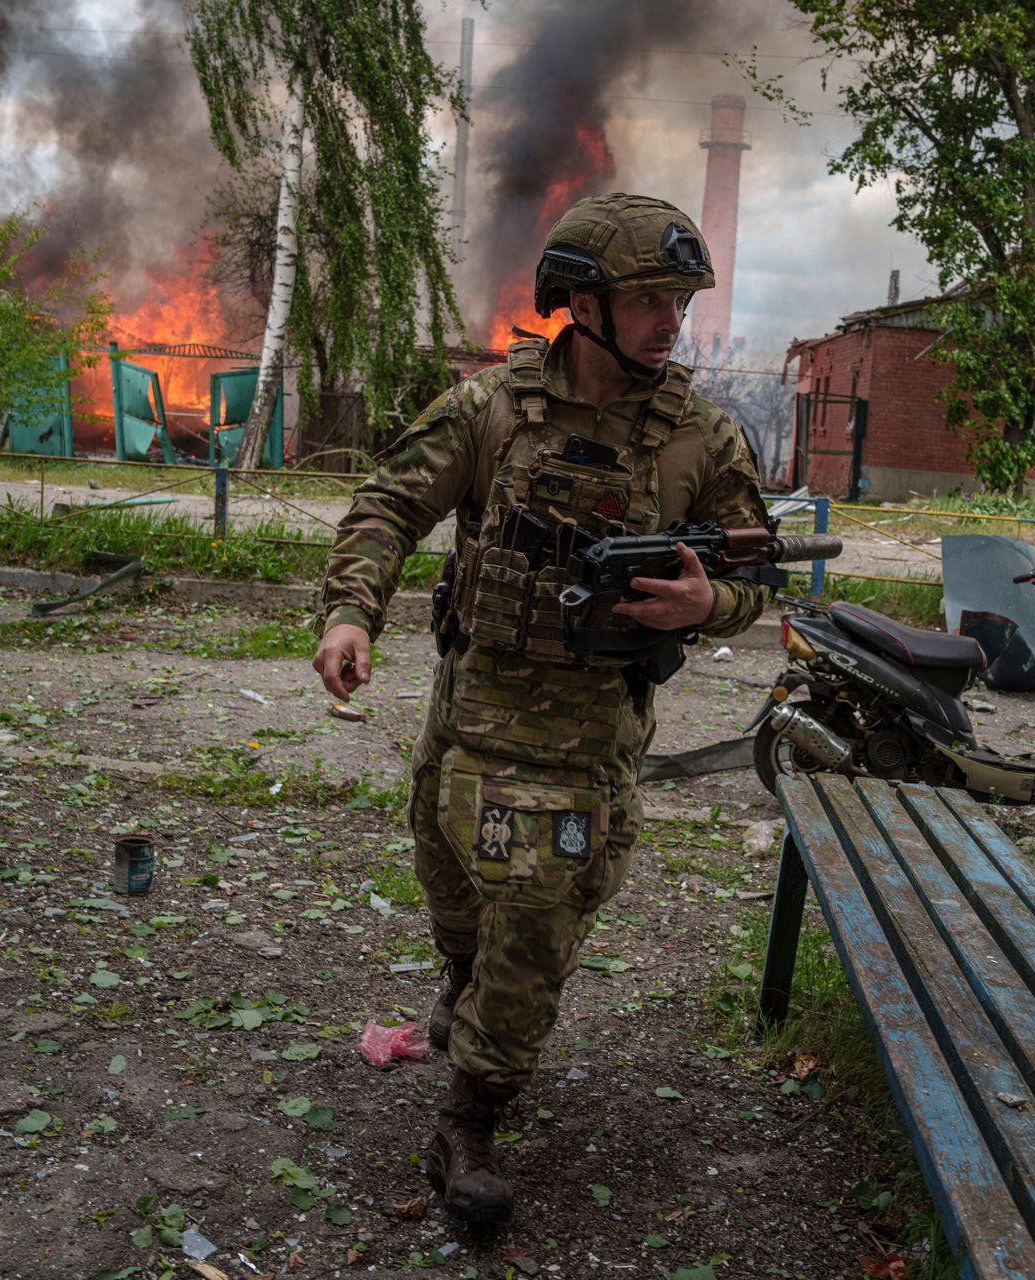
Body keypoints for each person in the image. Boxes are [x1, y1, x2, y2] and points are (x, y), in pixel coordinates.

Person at [312, 193, 770, 1225]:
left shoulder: (698, 435)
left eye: (678, 301)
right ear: (579, 300)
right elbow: (390, 501)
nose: (669, 320)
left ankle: (470, 1116)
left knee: (535, 922)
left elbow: (757, 570)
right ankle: (458, 992)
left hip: (586, 737)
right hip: (469, 711)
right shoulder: (494, 407)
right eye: (648, 298)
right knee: (454, 886)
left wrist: (711, 601)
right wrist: (351, 613)